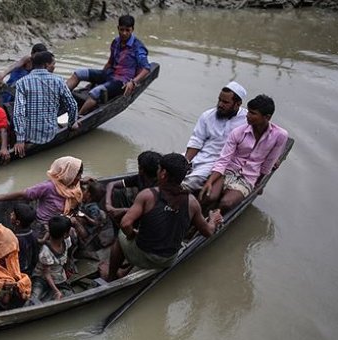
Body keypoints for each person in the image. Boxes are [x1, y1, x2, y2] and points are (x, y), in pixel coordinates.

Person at [104, 153, 224, 281]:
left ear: (163, 173)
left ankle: (111, 277)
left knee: (121, 238)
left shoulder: (147, 195)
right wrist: (213, 219)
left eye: (159, 168)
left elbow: (125, 224)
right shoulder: (192, 202)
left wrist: (132, 234)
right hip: (168, 259)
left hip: (145, 255)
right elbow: (208, 232)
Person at [200, 94, 288, 213]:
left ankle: (213, 218)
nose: (247, 115)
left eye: (252, 113)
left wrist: (259, 184)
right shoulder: (238, 132)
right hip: (227, 171)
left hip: (248, 177)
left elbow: (269, 162)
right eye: (248, 111)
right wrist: (210, 182)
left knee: (226, 203)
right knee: (209, 196)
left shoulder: (279, 135)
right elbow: (223, 160)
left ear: (267, 117)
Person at [66, 15, 151, 116]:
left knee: (95, 92)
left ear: (132, 29)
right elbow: (110, 62)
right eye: (122, 30)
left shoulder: (138, 47)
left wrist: (133, 82)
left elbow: (146, 69)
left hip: (122, 82)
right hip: (110, 74)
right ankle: (61, 99)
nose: (124, 33)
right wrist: (98, 79)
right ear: (118, 28)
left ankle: (77, 118)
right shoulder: (116, 42)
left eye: (127, 30)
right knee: (78, 73)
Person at [0, 156, 85, 226]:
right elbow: (23, 194)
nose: (80, 178)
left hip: (63, 221)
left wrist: (85, 181)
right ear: (67, 175)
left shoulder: (73, 186)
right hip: (46, 225)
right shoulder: (48, 187)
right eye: (77, 175)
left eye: (80, 174)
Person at [182, 81, 249, 192]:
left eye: (225, 102)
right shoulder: (208, 116)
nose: (220, 105)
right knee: (169, 166)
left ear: (238, 104)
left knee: (191, 181)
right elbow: (196, 141)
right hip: (200, 155)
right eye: (219, 100)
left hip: (219, 162)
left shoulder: (248, 120)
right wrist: (185, 161)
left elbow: (266, 135)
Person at [13, 51, 78, 156]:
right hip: (51, 134)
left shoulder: (22, 82)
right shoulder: (58, 81)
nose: (54, 67)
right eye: (53, 64)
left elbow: (18, 113)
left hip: (29, 136)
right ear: (46, 65)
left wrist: (20, 139)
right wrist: (71, 124)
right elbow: (73, 105)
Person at [105, 150, 161, 224]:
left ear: (141, 169)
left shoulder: (160, 187)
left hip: (151, 218)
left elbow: (150, 211)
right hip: (137, 209)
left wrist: (124, 210)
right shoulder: (140, 178)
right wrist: (108, 204)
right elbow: (111, 184)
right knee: (116, 192)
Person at [31, 215, 76, 302]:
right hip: (42, 278)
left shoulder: (66, 241)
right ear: (65, 234)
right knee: (33, 299)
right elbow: (46, 274)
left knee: (70, 295)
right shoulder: (46, 252)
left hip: (58, 276)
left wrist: (67, 270)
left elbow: (67, 256)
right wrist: (56, 291)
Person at [11, 203, 40, 276]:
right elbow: (35, 256)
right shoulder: (33, 234)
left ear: (17, 222)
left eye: (13, 214)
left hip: (18, 270)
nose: (11, 214)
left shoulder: (15, 239)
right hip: (29, 269)